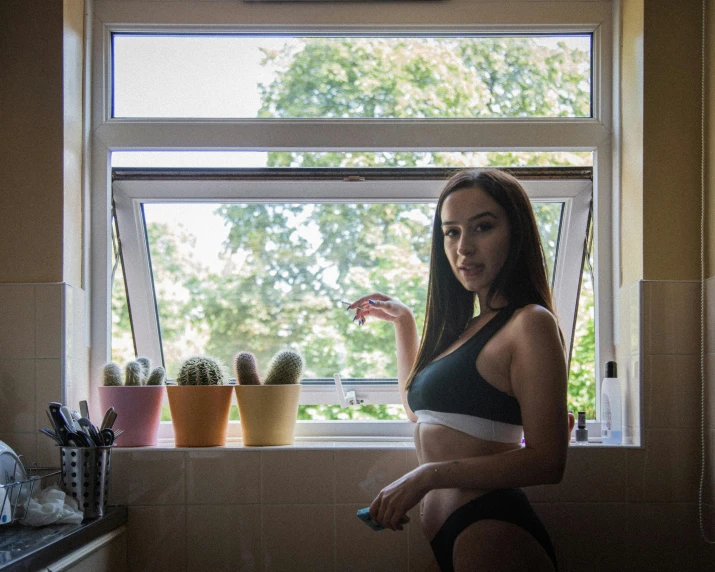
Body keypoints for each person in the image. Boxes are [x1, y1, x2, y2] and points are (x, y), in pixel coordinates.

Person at [346, 169, 569, 572]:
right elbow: (422, 413)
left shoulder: (529, 323)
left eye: (482, 227)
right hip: (453, 534)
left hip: (493, 530)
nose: (463, 247)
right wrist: (405, 324)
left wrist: (427, 476)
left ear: (515, 233)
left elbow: (549, 461)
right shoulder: (468, 329)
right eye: (451, 232)